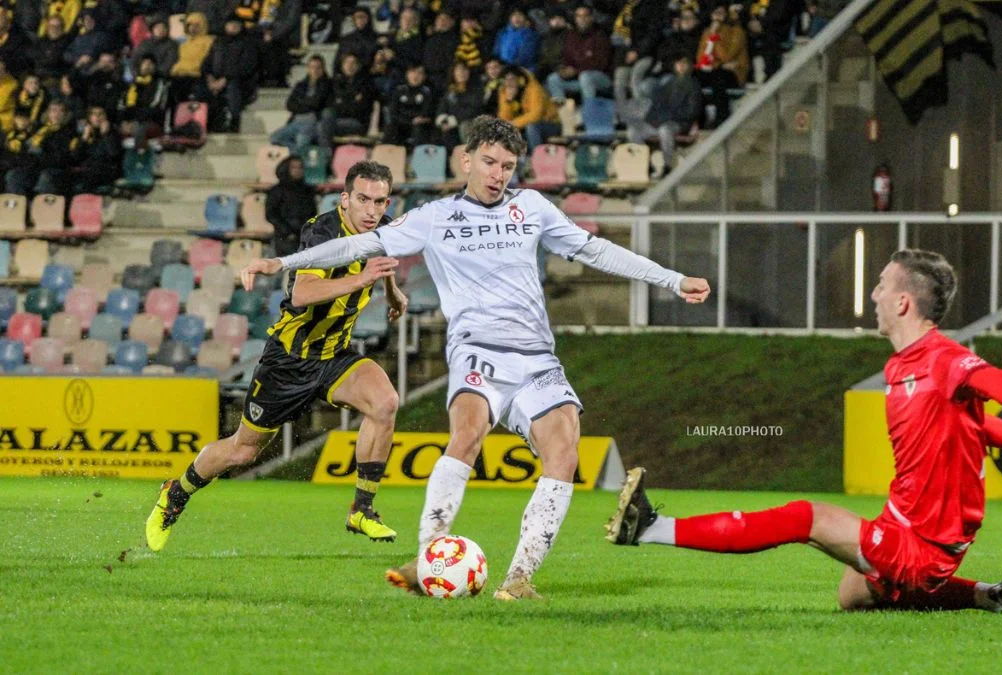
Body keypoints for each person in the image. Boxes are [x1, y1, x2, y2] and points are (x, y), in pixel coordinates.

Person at [239, 116, 712, 600]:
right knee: (468, 433)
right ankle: (429, 559)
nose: (498, 173)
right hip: (477, 351)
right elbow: (359, 243)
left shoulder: (532, 208)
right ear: (466, 160)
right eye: (489, 162)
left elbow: (596, 250)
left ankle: (519, 578)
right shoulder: (435, 216)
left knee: (564, 453)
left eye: (508, 166)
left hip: (535, 358)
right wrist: (282, 263)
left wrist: (672, 280)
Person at [607, 249, 1002, 617]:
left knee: (807, 517)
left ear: (904, 302)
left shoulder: (944, 358)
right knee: (853, 596)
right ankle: (993, 595)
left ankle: (652, 528)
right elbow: (971, 420)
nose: (873, 295)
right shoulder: (900, 367)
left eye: (882, 286)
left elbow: (994, 381)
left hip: (926, 542)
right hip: (904, 523)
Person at [146, 161, 411, 553]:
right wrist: (363, 278)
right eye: (363, 200)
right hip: (288, 360)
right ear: (345, 199)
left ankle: (362, 509)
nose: (371, 210)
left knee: (385, 402)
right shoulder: (322, 231)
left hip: (334, 355)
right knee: (243, 449)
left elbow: (381, 263)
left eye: (379, 201)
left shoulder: (383, 229)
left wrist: (393, 293)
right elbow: (302, 294)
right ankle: (175, 494)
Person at [627, 54, 700, 173]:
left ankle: (667, 165)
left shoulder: (693, 86)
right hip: (660, 121)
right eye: (678, 63)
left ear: (690, 66)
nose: (681, 66)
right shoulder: (668, 84)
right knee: (633, 131)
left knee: (665, 130)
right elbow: (656, 105)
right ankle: (646, 165)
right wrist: (648, 119)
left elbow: (692, 111)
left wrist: (669, 116)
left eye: (684, 63)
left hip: (679, 123)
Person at [199, 18, 260, 133]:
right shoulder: (218, 42)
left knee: (233, 88)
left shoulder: (247, 43)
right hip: (215, 79)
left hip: (240, 81)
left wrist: (225, 79)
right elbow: (207, 62)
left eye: (236, 24)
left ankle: (234, 121)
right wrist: (209, 78)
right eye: (230, 24)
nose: (233, 27)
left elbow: (246, 67)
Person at [694, 4, 747, 128]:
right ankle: (699, 120)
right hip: (716, 70)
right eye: (715, 13)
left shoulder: (737, 32)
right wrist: (718, 64)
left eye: (721, 13)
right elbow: (701, 59)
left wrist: (714, 37)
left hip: (735, 73)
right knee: (695, 76)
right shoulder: (707, 32)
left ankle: (722, 118)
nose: (717, 17)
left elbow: (727, 56)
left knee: (718, 77)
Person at [269, 55, 333, 154]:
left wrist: (300, 103)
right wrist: (307, 104)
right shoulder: (301, 85)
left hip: (311, 123)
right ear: (308, 68)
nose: (315, 70)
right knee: (274, 138)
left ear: (323, 68)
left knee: (302, 142)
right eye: (312, 67)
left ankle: (299, 155)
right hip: (295, 122)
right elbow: (289, 104)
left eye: (318, 67)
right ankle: (298, 152)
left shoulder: (327, 85)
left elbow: (316, 104)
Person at [266, 155, 316, 258]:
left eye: (300, 167)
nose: (297, 171)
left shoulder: (308, 190)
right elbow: (271, 213)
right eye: (293, 167)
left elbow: (312, 212)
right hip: (285, 237)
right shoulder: (277, 190)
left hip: (304, 236)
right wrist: (287, 232)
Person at [385, 63, 436, 146]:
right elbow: (393, 112)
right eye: (412, 72)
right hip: (401, 123)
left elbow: (426, 112)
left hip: (418, 125)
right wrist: (409, 121)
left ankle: (418, 155)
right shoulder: (399, 90)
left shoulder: (427, 92)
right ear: (407, 74)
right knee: (391, 127)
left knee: (420, 129)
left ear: (424, 76)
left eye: (419, 73)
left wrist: (418, 120)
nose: (415, 75)